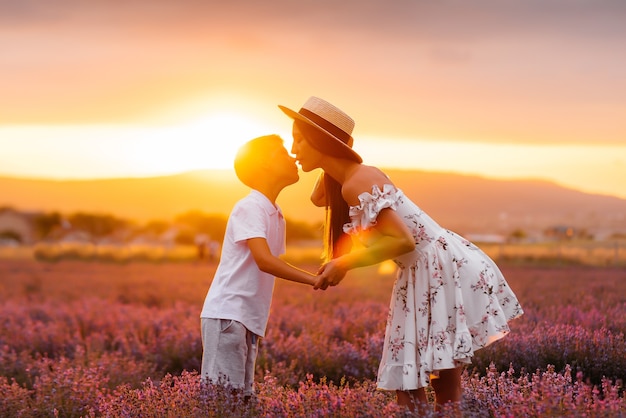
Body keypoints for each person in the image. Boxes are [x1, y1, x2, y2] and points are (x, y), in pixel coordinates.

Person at [279, 97, 524, 412]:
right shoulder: (351, 178)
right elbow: (317, 198)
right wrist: (327, 159)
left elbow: (403, 240)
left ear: (320, 141)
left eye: (298, 139)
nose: (293, 148)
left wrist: (345, 262)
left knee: (417, 380)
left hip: (434, 270)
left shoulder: (357, 182)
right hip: (434, 267)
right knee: (432, 376)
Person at [199, 134, 318, 396]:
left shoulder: (275, 212)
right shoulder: (250, 206)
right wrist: (312, 279)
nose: (292, 157)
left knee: (241, 400)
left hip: (247, 318)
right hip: (228, 315)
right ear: (264, 164)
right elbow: (265, 261)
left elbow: (275, 260)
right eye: (283, 153)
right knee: (221, 401)